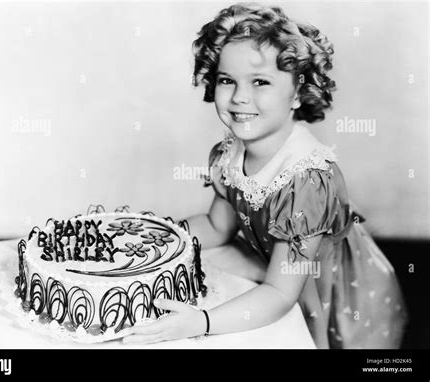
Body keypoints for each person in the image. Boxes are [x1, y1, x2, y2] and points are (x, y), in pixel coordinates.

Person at [123, 2, 408, 349]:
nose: (240, 97)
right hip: (275, 270)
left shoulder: (307, 179)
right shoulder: (231, 152)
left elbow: (279, 293)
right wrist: (158, 237)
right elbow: (217, 227)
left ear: (298, 94)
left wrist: (200, 322)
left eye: (260, 81)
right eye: (227, 80)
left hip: (328, 294)